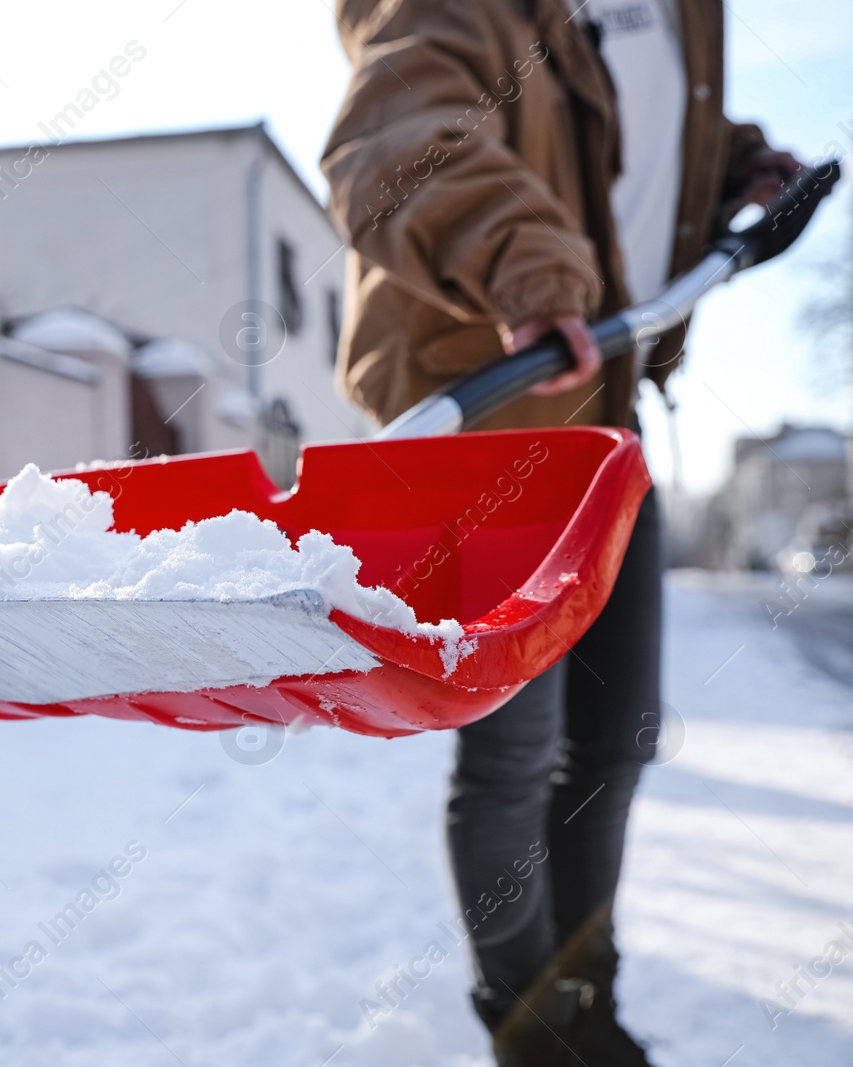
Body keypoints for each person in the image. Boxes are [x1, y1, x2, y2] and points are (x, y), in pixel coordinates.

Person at [320, 0, 799, 1062]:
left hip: (601, 416)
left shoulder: (683, 13)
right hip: (492, 417)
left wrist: (742, 168)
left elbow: (639, 133)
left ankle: (586, 998)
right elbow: (393, 139)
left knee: (615, 737)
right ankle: (532, 1031)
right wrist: (526, 267)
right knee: (513, 750)